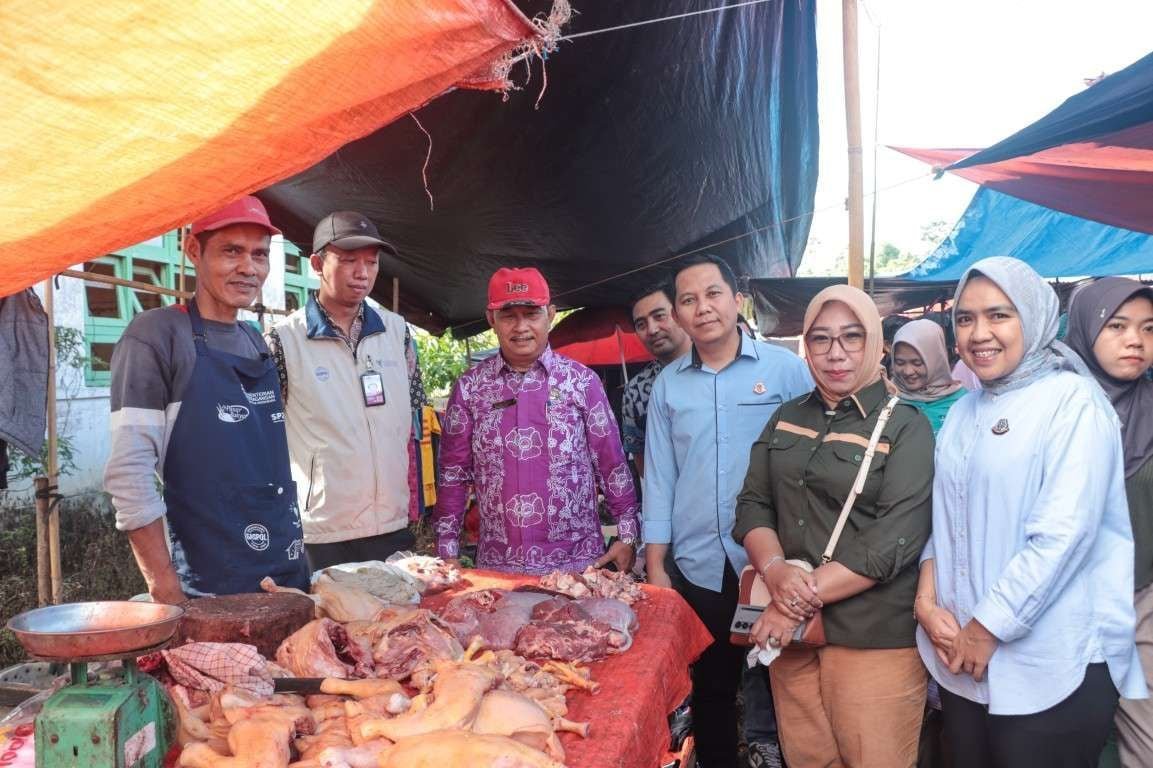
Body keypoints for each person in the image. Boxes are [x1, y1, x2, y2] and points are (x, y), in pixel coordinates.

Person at [915, 257, 1146, 768]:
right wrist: (926, 602)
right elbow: (945, 519)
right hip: (963, 661)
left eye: (999, 315)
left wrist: (986, 628)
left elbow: (1063, 536)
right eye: (965, 318)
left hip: (1050, 661)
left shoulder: (1073, 402)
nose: (979, 333)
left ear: (1036, 317)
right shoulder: (964, 411)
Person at [733, 284, 934, 768]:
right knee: (808, 759)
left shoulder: (905, 426)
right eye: (820, 339)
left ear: (876, 344)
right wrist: (776, 573)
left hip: (871, 635)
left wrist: (793, 600)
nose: (835, 353)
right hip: (793, 636)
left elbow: (894, 538)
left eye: (852, 337)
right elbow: (753, 504)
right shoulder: (787, 417)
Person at [644, 254, 812, 768]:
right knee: (712, 686)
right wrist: (656, 565)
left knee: (785, 681)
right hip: (699, 564)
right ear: (678, 313)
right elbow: (660, 476)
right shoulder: (668, 385)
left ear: (737, 300)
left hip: (773, 562)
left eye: (713, 294)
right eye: (688, 300)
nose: (703, 308)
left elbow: (815, 457)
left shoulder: (786, 371)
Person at [105, 196, 309, 601]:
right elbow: (129, 473)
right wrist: (165, 588)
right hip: (210, 585)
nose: (249, 268)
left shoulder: (255, 339)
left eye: (259, 254)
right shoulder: (157, 335)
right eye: (232, 251)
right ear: (194, 250)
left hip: (285, 568)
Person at [433, 267, 639, 574]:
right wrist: (446, 549)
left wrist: (627, 535)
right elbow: (453, 474)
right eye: (508, 316)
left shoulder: (582, 382)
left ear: (550, 314)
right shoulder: (470, 388)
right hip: (499, 569)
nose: (521, 327)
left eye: (531, 314)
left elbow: (612, 465)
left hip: (578, 566)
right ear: (491, 319)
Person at [267, 211, 424, 571]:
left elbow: (412, 421)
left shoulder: (398, 333)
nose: (362, 273)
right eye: (349, 260)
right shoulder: (283, 341)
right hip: (322, 532)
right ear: (317, 264)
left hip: (392, 525)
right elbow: (265, 438)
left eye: (372, 262)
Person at [1065, 277, 1153, 768]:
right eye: (1117, 326)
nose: (1135, 340)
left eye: (1148, 328)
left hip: (1141, 599)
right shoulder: (1051, 408)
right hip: (1055, 605)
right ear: (1085, 327)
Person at [621, 278, 691, 477]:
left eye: (659, 316)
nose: (652, 330)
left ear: (678, 314)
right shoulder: (636, 391)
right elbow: (643, 463)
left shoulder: (717, 367)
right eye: (641, 324)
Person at [891, 318, 967, 433]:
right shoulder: (887, 398)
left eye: (917, 363)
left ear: (936, 361)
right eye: (900, 363)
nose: (908, 371)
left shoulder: (963, 403)